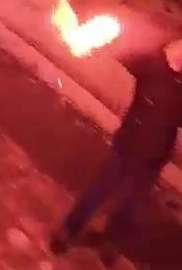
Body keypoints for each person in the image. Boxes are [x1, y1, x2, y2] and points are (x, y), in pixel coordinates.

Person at [51, 39, 182, 258]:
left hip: (153, 158)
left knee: (131, 205)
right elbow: (125, 53)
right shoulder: (153, 62)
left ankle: (109, 241)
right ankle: (69, 230)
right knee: (98, 191)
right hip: (127, 146)